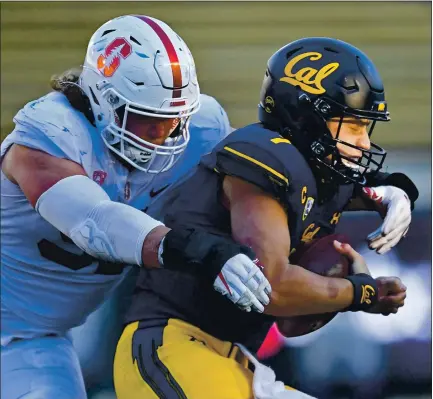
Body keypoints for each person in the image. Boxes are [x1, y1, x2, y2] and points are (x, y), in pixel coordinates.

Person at [114, 37, 418, 399]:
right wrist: (359, 293)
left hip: (234, 359)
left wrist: (396, 194)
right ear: (310, 117)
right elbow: (268, 288)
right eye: (352, 125)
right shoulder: (262, 158)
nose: (365, 143)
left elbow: (290, 323)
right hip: (174, 346)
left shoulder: (313, 177)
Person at [0, 15, 271, 399]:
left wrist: (371, 193)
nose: (168, 139)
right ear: (103, 100)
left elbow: (263, 180)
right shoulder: (49, 135)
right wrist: (199, 251)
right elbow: (95, 222)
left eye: (176, 122)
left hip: (38, 336)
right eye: (150, 123)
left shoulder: (201, 127)